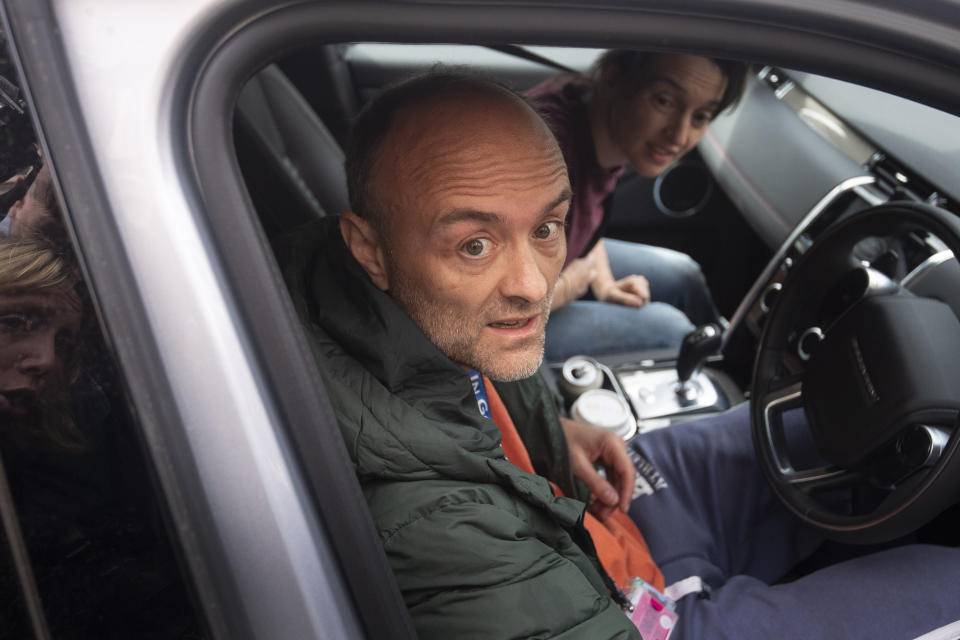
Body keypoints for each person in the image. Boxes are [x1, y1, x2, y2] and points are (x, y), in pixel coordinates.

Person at [278, 70, 960, 639]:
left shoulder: (384, 308)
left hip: (585, 503)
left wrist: (554, 435)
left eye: (547, 228)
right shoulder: (431, 528)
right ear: (367, 247)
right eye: (474, 245)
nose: (532, 285)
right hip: (614, 605)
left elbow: (471, 401)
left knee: (816, 428)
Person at [525, 51, 749, 361]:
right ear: (614, 77)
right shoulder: (548, 158)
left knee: (684, 275)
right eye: (664, 101)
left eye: (701, 116)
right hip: (518, 321)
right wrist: (570, 284)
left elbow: (587, 220)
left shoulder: (598, 124)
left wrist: (603, 283)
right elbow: (493, 302)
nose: (680, 136)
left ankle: (737, 359)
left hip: (558, 272)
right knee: (673, 330)